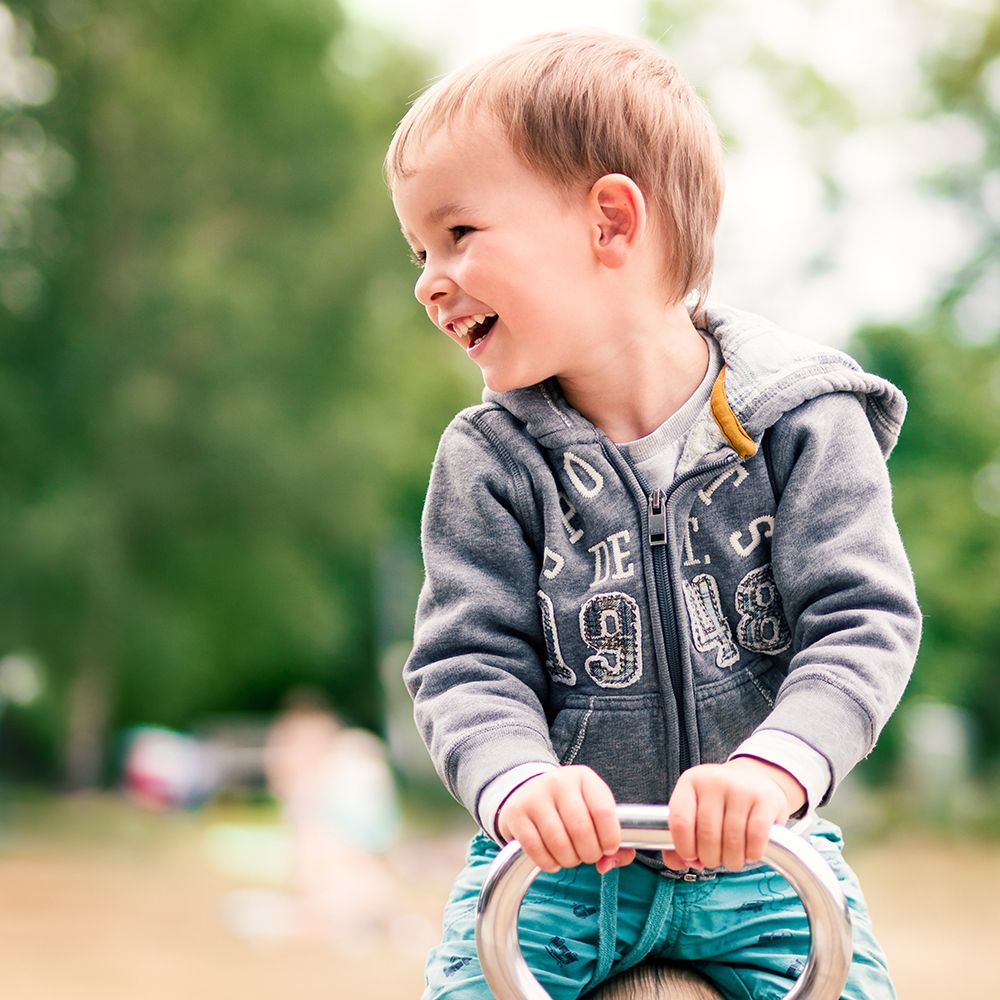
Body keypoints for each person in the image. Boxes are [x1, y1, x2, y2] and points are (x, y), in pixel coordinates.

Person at [387, 30, 920, 999]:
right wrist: (519, 787)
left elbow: (861, 623)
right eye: (419, 248)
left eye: (458, 234)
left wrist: (772, 772)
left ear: (610, 223)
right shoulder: (491, 461)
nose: (428, 276)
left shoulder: (802, 423)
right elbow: (467, 661)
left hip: (762, 862)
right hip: (559, 876)